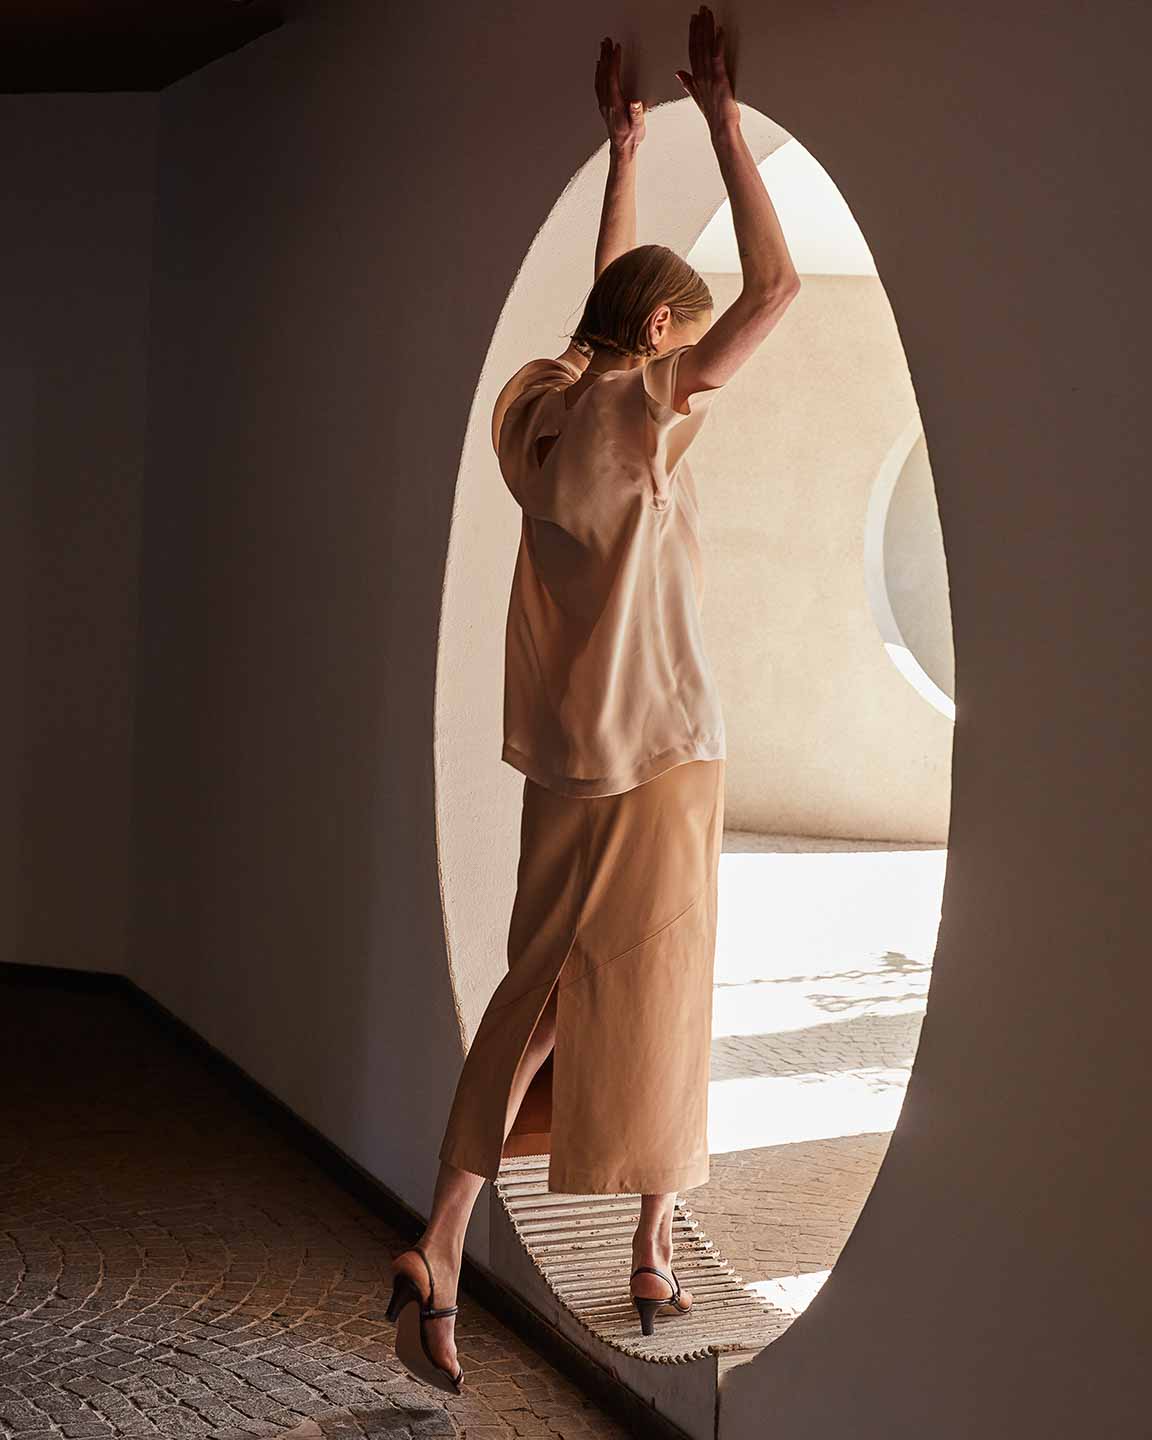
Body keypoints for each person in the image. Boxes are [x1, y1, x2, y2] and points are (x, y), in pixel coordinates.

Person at [387, 5, 800, 1393]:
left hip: (566, 759)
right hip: (664, 753)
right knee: (663, 984)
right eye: (681, 332)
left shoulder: (546, 412)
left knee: (541, 993)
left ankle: (442, 1238)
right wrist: (722, 122)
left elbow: (600, 314)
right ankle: (651, 1247)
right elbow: (774, 291)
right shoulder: (647, 408)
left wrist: (624, 151)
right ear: (668, 335)